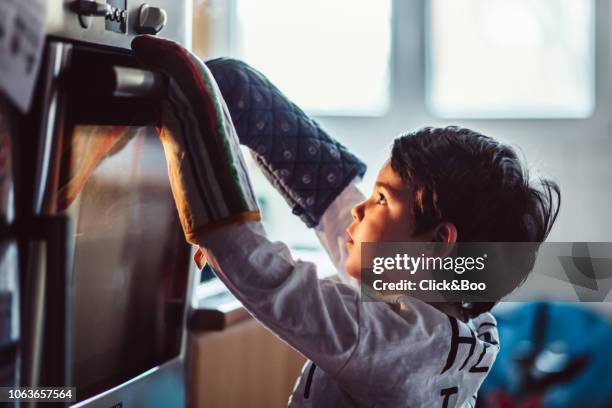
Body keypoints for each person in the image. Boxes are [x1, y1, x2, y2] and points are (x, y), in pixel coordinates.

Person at [131, 35, 560, 407]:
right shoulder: (461, 321)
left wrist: (191, 96)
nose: (360, 209)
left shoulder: (388, 342)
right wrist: (241, 95)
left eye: (381, 199)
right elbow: (338, 209)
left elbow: (265, 276)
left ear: (437, 243)